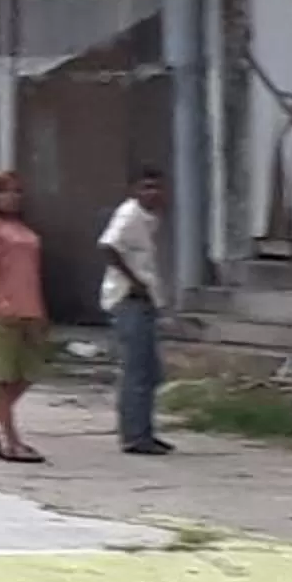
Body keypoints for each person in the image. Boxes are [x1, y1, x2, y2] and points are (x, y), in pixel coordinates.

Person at [0, 169, 48, 463]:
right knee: (3, 377)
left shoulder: (22, 228)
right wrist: (0, 299)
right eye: (5, 192)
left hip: (29, 306)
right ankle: (10, 440)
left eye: (17, 191)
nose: (12, 197)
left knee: (29, 372)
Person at [100, 166, 174, 456]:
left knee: (149, 370)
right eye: (146, 187)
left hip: (144, 299)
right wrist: (134, 281)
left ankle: (143, 430)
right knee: (137, 370)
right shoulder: (130, 215)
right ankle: (134, 436)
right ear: (133, 190)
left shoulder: (150, 218)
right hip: (129, 299)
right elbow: (108, 246)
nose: (153, 193)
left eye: (157, 187)